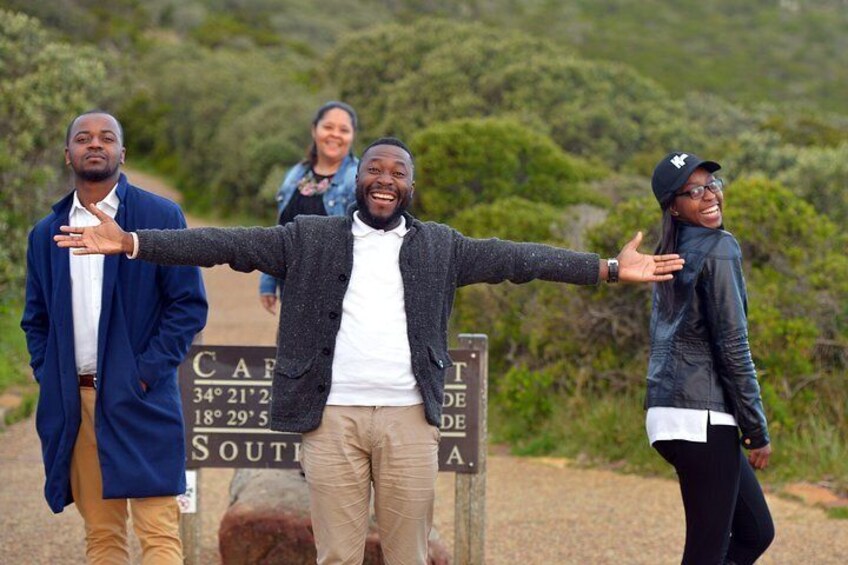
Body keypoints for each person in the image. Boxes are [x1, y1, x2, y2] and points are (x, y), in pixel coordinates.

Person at [55, 137, 684, 565]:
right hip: (331, 420)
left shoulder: (441, 245)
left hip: (410, 419)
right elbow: (223, 244)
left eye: (398, 173)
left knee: (408, 553)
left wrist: (604, 268)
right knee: (337, 554)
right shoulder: (310, 237)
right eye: (375, 170)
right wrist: (134, 241)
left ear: (411, 185)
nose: (385, 181)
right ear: (360, 179)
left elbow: (521, 258)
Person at [21, 111, 208, 564]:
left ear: (122, 152)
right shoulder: (46, 233)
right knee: (102, 535)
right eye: (83, 138)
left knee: (158, 532)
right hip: (77, 404)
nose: (95, 144)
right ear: (68, 154)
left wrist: (142, 375)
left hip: (142, 398)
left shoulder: (159, 216)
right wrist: (52, 376)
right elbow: (36, 319)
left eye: (107, 138)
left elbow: (187, 306)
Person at [646, 151, 774, 564]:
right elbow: (732, 345)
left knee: (755, 533)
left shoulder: (669, 249)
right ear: (674, 206)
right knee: (706, 553)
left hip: (667, 415)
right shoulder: (720, 247)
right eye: (694, 190)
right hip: (702, 416)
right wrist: (755, 428)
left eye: (712, 185)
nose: (710, 195)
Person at [259, 101, 359, 315]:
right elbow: (280, 230)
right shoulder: (296, 173)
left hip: (340, 297)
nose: (335, 135)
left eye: (344, 130)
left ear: (352, 136)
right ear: (315, 130)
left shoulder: (359, 177)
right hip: (293, 291)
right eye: (328, 127)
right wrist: (268, 281)